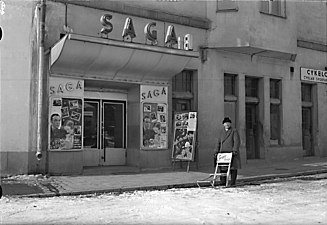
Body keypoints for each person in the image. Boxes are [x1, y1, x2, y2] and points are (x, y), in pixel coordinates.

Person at [214, 117, 241, 186]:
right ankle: (223, 181)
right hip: (223, 152)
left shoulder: (234, 131)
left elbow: (236, 141)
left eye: (228, 123)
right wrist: (216, 151)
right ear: (223, 124)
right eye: (225, 123)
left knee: (233, 168)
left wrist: (235, 150)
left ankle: (232, 182)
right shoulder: (221, 132)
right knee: (223, 168)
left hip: (231, 152)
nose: (227, 124)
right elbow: (218, 142)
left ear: (230, 124)